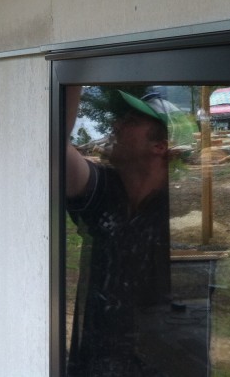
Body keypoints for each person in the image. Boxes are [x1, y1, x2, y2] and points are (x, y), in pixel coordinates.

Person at [65, 87, 177, 376]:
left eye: (130, 121)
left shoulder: (172, 214)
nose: (115, 126)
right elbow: (54, 144)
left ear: (159, 146)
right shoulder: (106, 191)